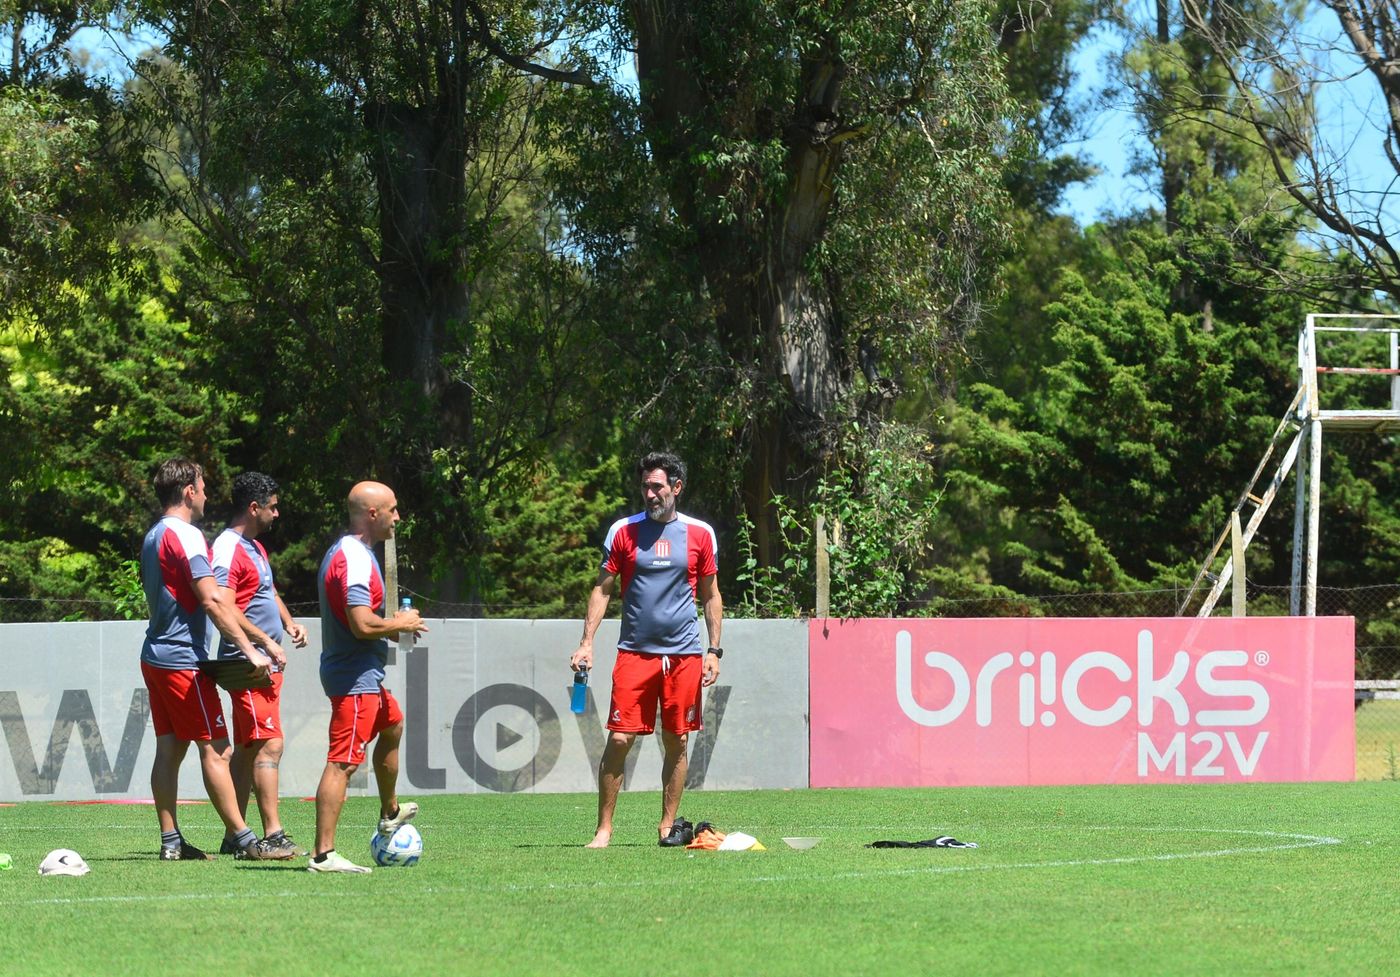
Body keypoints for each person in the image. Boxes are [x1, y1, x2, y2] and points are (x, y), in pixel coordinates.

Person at [138, 458, 293, 861]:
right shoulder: (188, 536)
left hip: (154, 654)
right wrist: (249, 649)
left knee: (169, 751)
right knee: (219, 750)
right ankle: (244, 839)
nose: (207, 495)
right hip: (181, 661)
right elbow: (212, 599)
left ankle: (171, 841)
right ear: (189, 491)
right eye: (203, 488)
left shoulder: (154, 534)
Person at [570, 451, 723, 848]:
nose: (650, 493)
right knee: (620, 739)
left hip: (685, 655)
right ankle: (604, 829)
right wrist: (587, 642)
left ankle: (667, 826)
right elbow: (603, 588)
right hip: (635, 653)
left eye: (657, 486)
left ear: (676, 487)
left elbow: (710, 595)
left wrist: (714, 650)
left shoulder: (701, 534)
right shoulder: (623, 531)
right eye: (645, 486)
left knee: (677, 739)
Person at [309, 480, 429, 873]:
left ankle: (390, 811)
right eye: (392, 510)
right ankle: (323, 855)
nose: (398, 517)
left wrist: (395, 627)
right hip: (353, 675)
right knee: (342, 762)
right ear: (372, 514)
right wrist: (398, 622)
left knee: (392, 723)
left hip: (361, 674)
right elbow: (361, 624)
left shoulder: (350, 552)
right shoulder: (355, 557)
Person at [210, 471, 310, 858]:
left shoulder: (254, 547)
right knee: (270, 743)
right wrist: (264, 641)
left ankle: (235, 835)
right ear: (254, 508)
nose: (277, 513)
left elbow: (267, 592)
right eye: (272, 506)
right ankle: (272, 833)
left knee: (251, 749)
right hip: (247, 665)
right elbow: (224, 605)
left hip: (265, 664)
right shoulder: (229, 547)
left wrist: (288, 623)